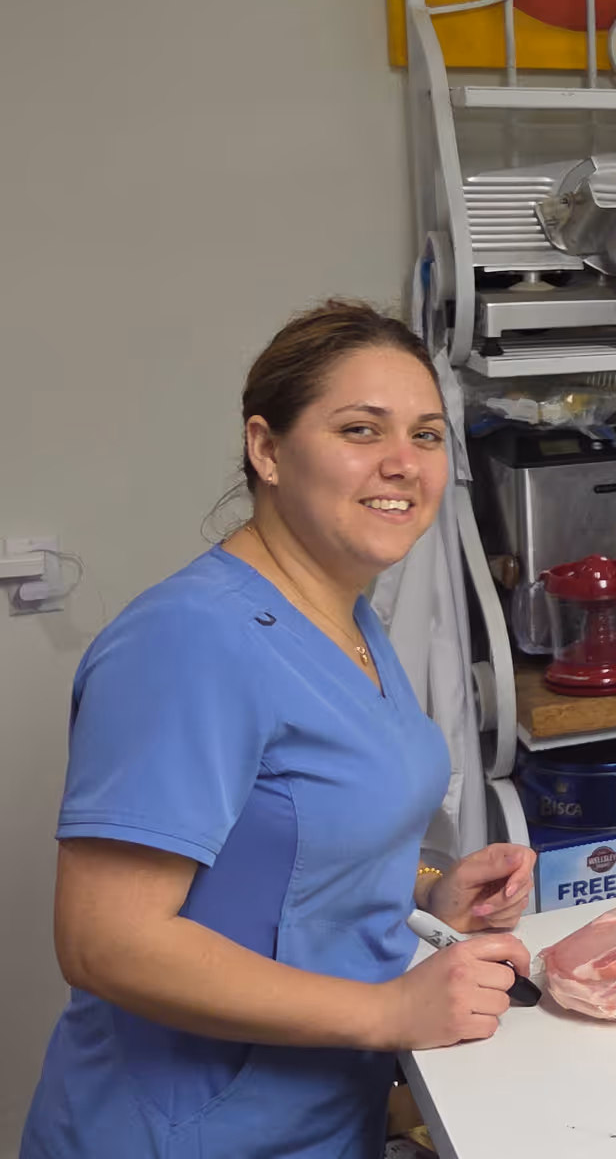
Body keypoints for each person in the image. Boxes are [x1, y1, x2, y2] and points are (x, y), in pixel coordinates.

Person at [24, 300, 538, 1159]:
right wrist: (387, 1010)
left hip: (321, 1113)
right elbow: (104, 941)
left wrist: (419, 890)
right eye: (360, 429)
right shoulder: (189, 641)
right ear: (267, 449)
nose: (402, 464)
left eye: (427, 435)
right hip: (188, 1134)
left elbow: (280, 840)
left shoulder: (344, 615)